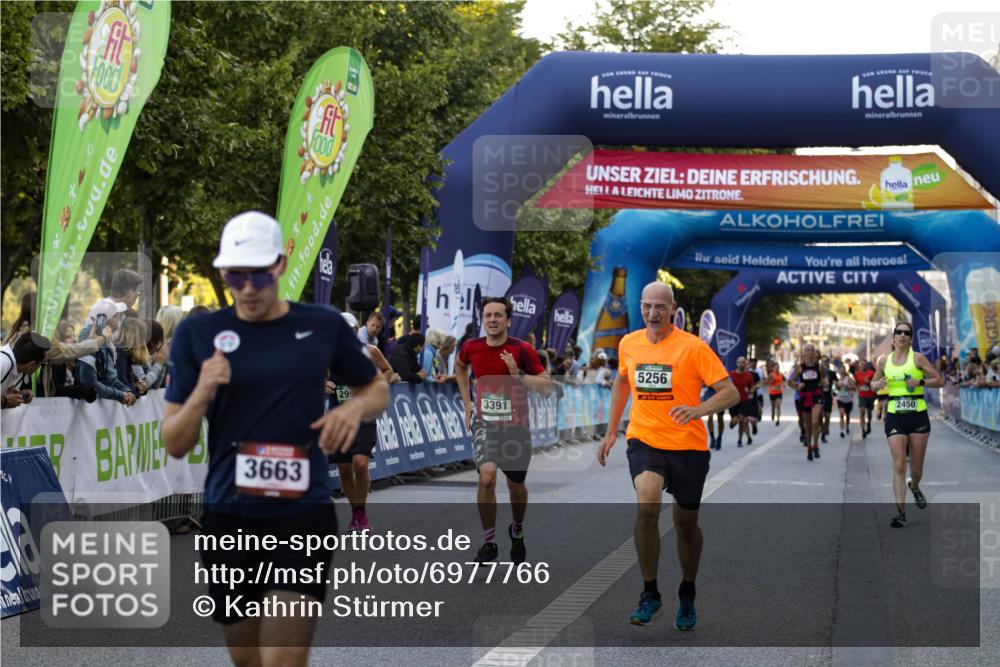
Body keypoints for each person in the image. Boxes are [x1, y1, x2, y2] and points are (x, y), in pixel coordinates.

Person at [162, 211, 389, 665]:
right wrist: (203, 390)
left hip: (302, 514)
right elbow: (174, 441)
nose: (247, 287)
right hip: (230, 516)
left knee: (284, 660)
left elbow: (376, 388)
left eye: (259, 274)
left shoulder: (322, 325)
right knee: (249, 661)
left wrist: (352, 408)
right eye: (235, 275)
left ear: (280, 265)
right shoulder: (198, 333)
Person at [598, 282, 738, 631]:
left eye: (660, 306)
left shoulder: (693, 347)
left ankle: (687, 591)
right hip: (645, 439)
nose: (653, 313)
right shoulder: (629, 343)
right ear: (640, 307)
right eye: (647, 306)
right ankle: (650, 593)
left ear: (672, 309)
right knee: (647, 504)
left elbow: (730, 392)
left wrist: (698, 410)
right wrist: (612, 430)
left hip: (688, 445)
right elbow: (622, 382)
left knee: (685, 525)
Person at [456, 297, 551, 566]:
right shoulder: (471, 347)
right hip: (485, 424)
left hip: (516, 428)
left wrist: (517, 374)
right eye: (488, 315)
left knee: (516, 485)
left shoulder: (522, 349)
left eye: (498, 315)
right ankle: (489, 542)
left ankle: (517, 529)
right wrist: (467, 402)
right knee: (486, 479)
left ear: (508, 320)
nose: (492, 320)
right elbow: (460, 366)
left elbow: (546, 387)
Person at [870, 321, 944, 528]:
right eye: (899, 332)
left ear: (911, 339)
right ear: (893, 338)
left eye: (906, 333)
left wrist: (920, 382)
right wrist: (877, 384)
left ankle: (915, 486)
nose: (902, 335)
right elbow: (873, 385)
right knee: (899, 464)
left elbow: (939, 381)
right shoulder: (883, 361)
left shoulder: (918, 358)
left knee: (916, 470)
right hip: (895, 415)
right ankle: (901, 513)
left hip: (917, 415)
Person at [327, 312, 390, 532]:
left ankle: (361, 513)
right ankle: (355, 512)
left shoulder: (371, 352)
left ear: (356, 330)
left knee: (361, 464)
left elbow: (388, 370)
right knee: (344, 469)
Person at [787, 344, 827, 461]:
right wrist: (797, 385)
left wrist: (825, 382)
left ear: (815, 353)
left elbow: (824, 379)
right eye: (807, 350)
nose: (810, 352)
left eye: (812, 350)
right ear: (804, 353)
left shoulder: (819, 367)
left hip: (817, 395)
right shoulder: (800, 367)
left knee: (815, 421)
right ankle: (809, 447)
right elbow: (790, 382)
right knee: (807, 425)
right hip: (805, 396)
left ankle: (816, 445)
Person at [1, 332, 51, 408]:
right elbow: (5, 400)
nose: (41, 366)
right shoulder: (4, 364)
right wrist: (5, 401)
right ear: (32, 364)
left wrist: (18, 393)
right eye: (43, 362)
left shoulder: (17, 367)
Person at [727, 356, 757, 447]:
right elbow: (727, 386)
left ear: (745, 364)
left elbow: (752, 388)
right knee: (734, 421)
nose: (741, 364)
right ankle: (732, 423)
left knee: (741, 420)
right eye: (739, 362)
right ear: (737, 363)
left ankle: (739, 440)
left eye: (743, 362)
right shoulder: (731, 374)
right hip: (733, 401)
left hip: (744, 401)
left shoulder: (749, 376)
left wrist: (750, 391)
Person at [854, 358, 876, 438]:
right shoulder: (857, 374)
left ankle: (869, 423)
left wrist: (869, 382)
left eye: (864, 364)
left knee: (869, 412)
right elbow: (855, 383)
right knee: (862, 411)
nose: (863, 365)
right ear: (859, 365)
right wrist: (857, 388)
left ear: (867, 365)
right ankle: (863, 429)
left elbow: (875, 383)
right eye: (861, 364)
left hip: (870, 395)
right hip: (862, 395)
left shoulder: (871, 373)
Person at [834, 366, 856, 439]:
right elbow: (836, 389)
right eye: (840, 370)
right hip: (840, 399)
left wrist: (847, 386)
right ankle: (842, 431)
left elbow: (854, 387)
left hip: (848, 399)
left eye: (843, 370)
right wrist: (837, 386)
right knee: (841, 414)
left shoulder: (848, 378)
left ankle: (847, 426)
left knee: (847, 415)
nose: (842, 371)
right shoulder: (838, 379)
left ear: (845, 371)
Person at [819, 356, 837, 444]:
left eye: (825, 361)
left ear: (828, 363)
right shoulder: (818, 373)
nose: (824, 363)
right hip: (819, 396)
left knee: (827, 416)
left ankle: (825, 429)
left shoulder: (832, 373)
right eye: (822, 361)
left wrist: (836, 385)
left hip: (828, 396)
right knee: (820, 414)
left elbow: (836, 383)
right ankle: (822, 429)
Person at [767, 361, 784, 425]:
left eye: (778, 367)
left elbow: (784, 381)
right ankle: (773, 413)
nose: (777, 369)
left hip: (779, 392)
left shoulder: (781, 374)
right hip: (772, 392)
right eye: (776, 367)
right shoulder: (771, 374)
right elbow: (767, 382)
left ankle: (778, 420)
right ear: (773, 368)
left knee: (778, 406)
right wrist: (772, 380)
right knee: (773, 406)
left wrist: (784, 384)